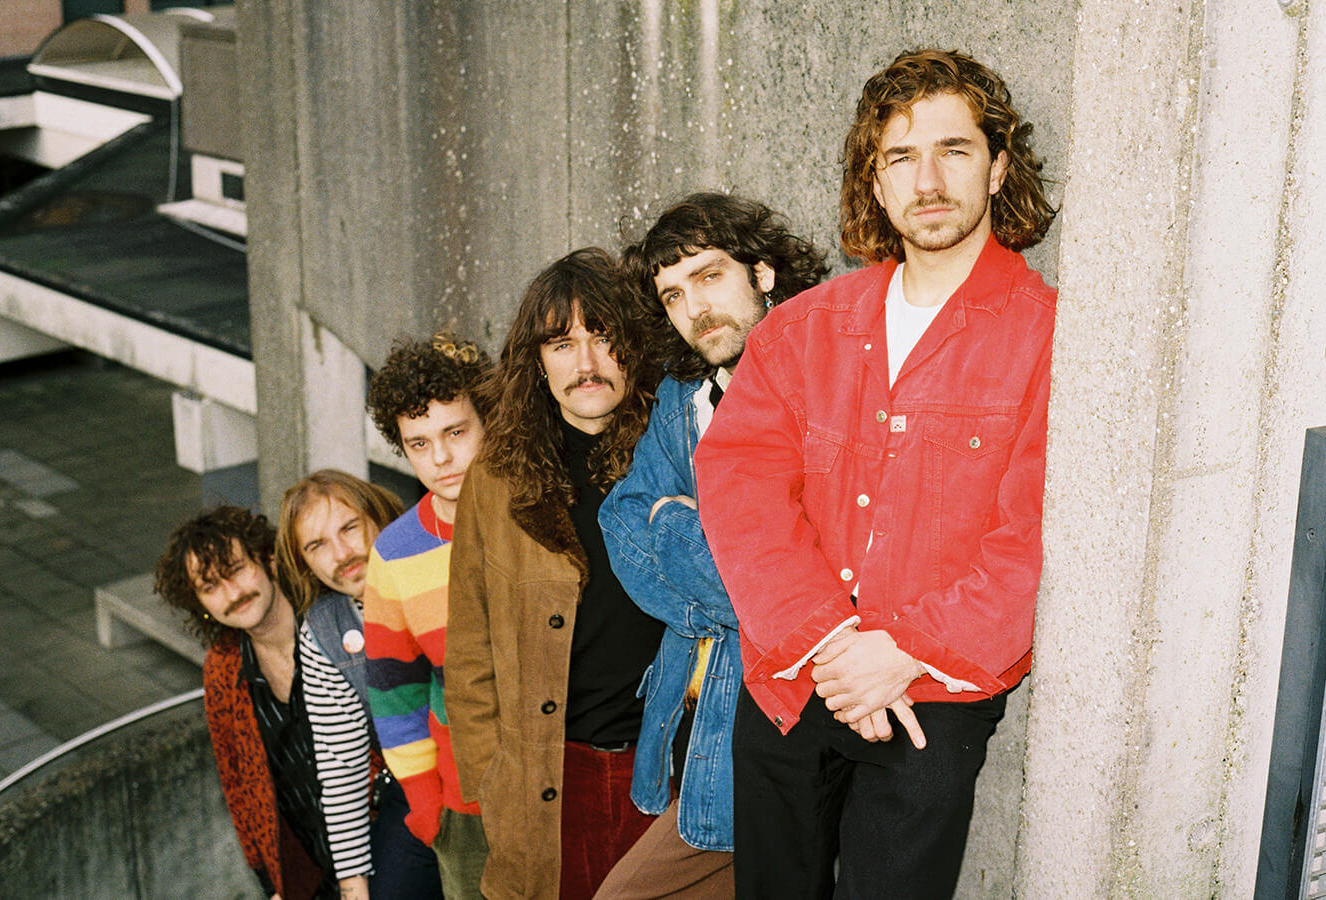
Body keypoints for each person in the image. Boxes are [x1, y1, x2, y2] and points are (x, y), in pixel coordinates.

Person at [694, 48, 1059, 899]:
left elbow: (1031, 542)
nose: (927, 180)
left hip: (934, 697)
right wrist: (833, 644)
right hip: (795, 679)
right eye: (901, 157)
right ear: (876, 180)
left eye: (954, 150)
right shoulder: (799, 332)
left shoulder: (1047, 338)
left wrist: (901, 652)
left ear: (998, 167)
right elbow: (742, 490)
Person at [596, 192, 829, 899]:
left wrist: (674, 526)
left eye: (708, 276)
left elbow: (814, 573)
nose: (694, 308)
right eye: (673, 294)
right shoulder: (683, 397)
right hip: (686, 721)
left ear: (763, 272)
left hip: (771, 729)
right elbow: (620, 522)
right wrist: (734, 597)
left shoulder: (825, 385)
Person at [444, 247, 663, 900]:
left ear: (635, 344)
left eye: (603, 336)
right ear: (537, 361)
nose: (586, 363)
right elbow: (470, 647)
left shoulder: (679, 453)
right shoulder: (497, 479)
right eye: (563, 344)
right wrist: (492, 782)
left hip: (669, 771)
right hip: (550, 781)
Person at [359, 332, 493, 899]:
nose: (440, 458)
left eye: (455, 432)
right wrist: (425, 806)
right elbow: (396, 696)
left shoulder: (538, 513)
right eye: (419, 443)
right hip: (463, 806)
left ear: (487, 422)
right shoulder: (393, 554)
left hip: (564, 784)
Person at [275, 470, 444, 900]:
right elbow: (341, 767)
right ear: (303, 563)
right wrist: (353, 886)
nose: (341, 553)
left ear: (379, 516)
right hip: (411, 781)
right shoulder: (324, 632)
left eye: (349, 527)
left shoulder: (437, 561)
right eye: (316, 545)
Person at [154, 505, 332, 900]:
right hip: (307, 874)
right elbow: (236, 782)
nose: (232, 594)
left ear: (268, 560)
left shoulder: (332, 622)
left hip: (387, 839)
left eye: (235, 570)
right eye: (210, 587)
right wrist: (270, 881)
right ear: (199, 604)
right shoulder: (223, 668)